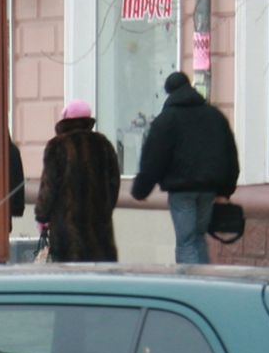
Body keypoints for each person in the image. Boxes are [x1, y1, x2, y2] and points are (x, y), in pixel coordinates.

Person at [130, 72, 240, 264]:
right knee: (198, 237)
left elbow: (154, 158)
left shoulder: (166, 120)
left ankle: (191, 287)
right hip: (209, 189)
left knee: (186, 242)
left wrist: (141, 190)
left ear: (169, 92)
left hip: (181, 190)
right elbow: (230, 154)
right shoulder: (214, 116)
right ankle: (205, 282)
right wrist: (226, 191)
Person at [34, 99, 121, 263]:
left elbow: (49, 186)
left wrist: (41, 216)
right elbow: (114, 183)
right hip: (99, 229)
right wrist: (104, 208)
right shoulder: (103, 144)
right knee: (99, 278)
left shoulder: (57, 145)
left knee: (69, 279)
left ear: (66, 118)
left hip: (67, 231)